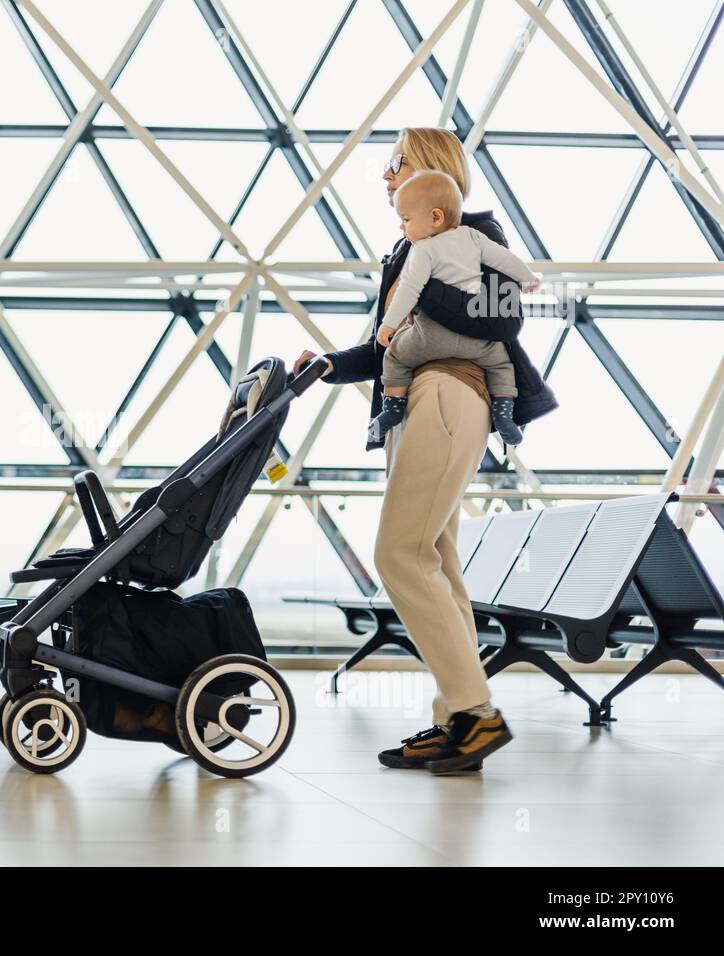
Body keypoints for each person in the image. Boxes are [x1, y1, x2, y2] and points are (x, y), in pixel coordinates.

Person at [293, 128, 556, 774]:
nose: (386, 176)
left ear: (433, 170)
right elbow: (387, 346)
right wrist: (329, 363)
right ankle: (456, 721)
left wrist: (430, 263)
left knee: (399, 554)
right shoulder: (409, 249)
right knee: (436, 560)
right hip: (418, 403)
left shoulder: (475, 235)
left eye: (396, 163)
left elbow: (499, 318)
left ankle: (478, 711)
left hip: (447, 395)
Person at [368, 170, 541, 446]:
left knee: (396, 356)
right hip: (477, 340)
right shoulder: (474, 237)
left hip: (431, 336)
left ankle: (391, 410)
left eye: (406, 220)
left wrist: (389, 325)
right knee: (502, 365)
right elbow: (505, 260)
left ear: (435, 217)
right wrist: (528, 279)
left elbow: (409, 291)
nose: (402, 228)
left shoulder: (422, 249)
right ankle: (504, 415)